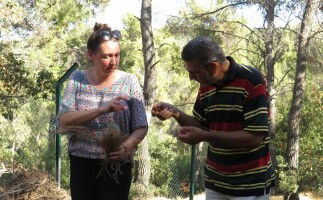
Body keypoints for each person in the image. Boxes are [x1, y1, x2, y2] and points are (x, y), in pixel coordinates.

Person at [152, 36, 275, 199]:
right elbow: (201, 125)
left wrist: (206, 135)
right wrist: (175, 112)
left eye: (194, 72)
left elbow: (254, 138)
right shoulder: (206, 87)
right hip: (215, 183)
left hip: (250, 185)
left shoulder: (252, 81)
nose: (191, 78)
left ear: (212, 67)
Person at [58, 23, 148, 200]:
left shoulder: (129, 81)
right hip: (81, 163)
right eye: (106, 56)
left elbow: (141, 126)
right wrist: (101, 110)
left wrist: (126, 146)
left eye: (117, 55)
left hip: (117, 164)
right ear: (91, 55)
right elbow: (63, 121)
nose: (113, 61)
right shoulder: (77, 79)